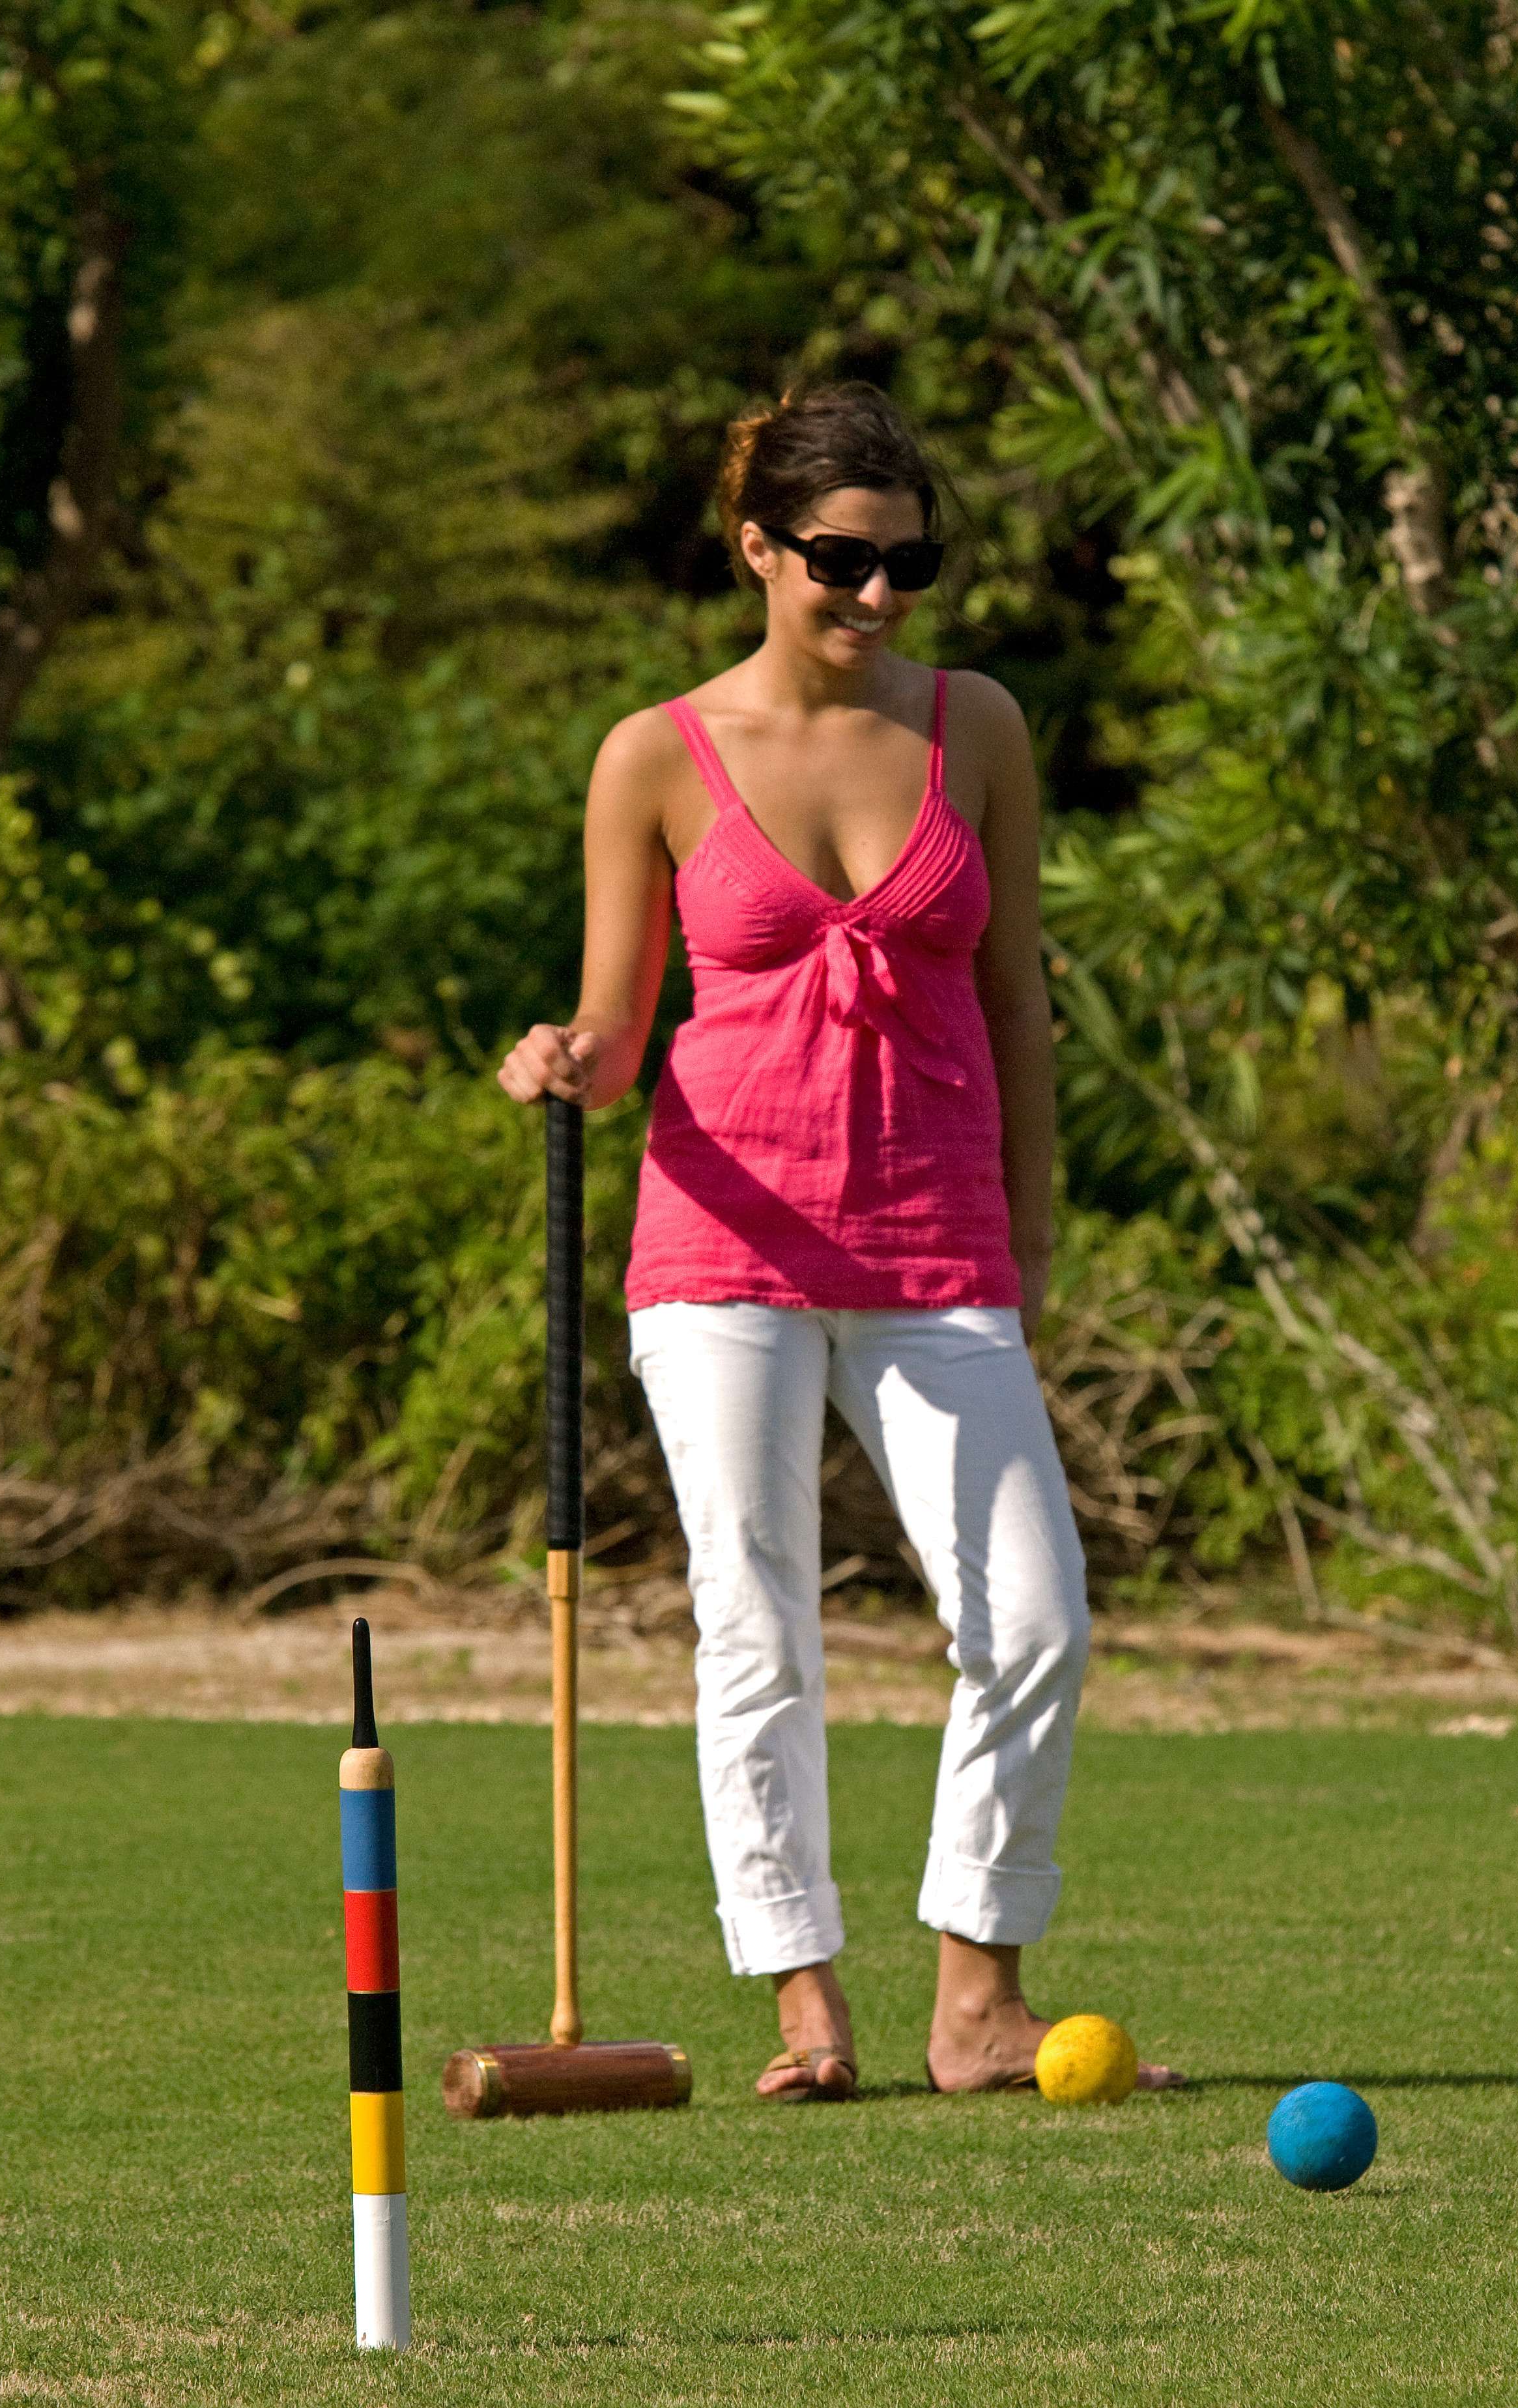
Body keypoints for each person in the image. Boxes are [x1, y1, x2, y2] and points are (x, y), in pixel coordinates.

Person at [496, 382, 1170, 2103]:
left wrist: (1033, 1208)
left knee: (1034, 1615)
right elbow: (617, 1016)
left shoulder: (978, 730)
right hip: (722, 1242)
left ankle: (976, 1999)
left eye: (909, 564)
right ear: (756, 549)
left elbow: (1018, 990)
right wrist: (566, 1059)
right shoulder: (654, 753)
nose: (878, 599)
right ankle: (805, 2002)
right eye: (841, 562)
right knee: (759, 1622)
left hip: (939, 1240)